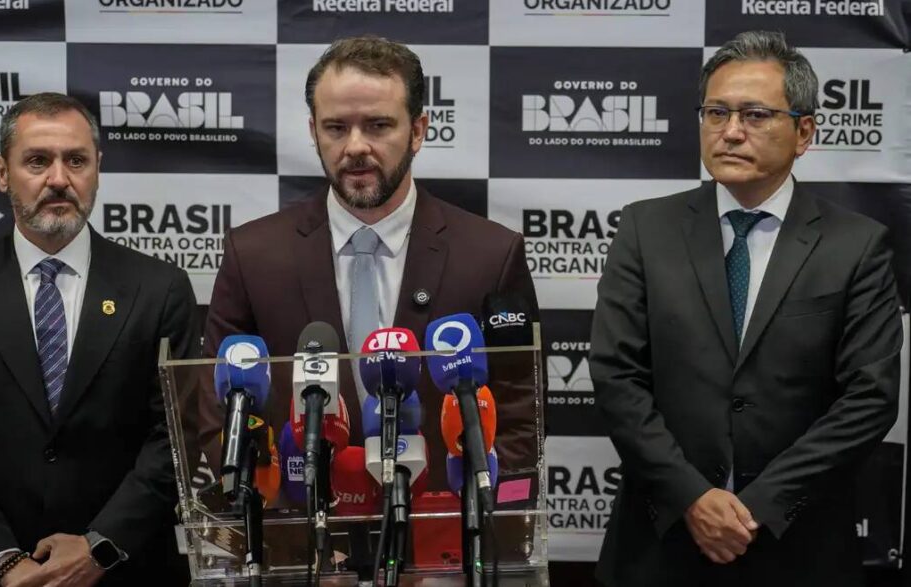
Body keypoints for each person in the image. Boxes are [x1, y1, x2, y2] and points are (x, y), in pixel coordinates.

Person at [589, 30, 902, 587]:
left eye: (755, 115)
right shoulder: (644, 228)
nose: (731, 131)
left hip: (797, 544)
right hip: (661, 542)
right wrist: (692, 496)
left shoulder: (857, 245)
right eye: (716, 113)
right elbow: (616, 375)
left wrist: (760, 505)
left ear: (804, 132)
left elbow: (869, 398)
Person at [201, 35, 539, 492]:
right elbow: (216, 409)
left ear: (418, 130)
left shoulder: (491, 255)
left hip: (443, 523)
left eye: (378, 126)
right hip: (303, 523)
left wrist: (471, 514)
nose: (355, 146)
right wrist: (267, 509)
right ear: (313, 132)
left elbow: (521, 414)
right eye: (336, 128)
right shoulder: (253, 254)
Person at [0, 93, 198, 587]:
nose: (59, 179)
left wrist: (99, 547)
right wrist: (6, 561)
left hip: (125, 571)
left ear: (98, 169)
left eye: (76, 161)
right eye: (38, 161)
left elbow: (176, 437)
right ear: (3, 173)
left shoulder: (160, 289)